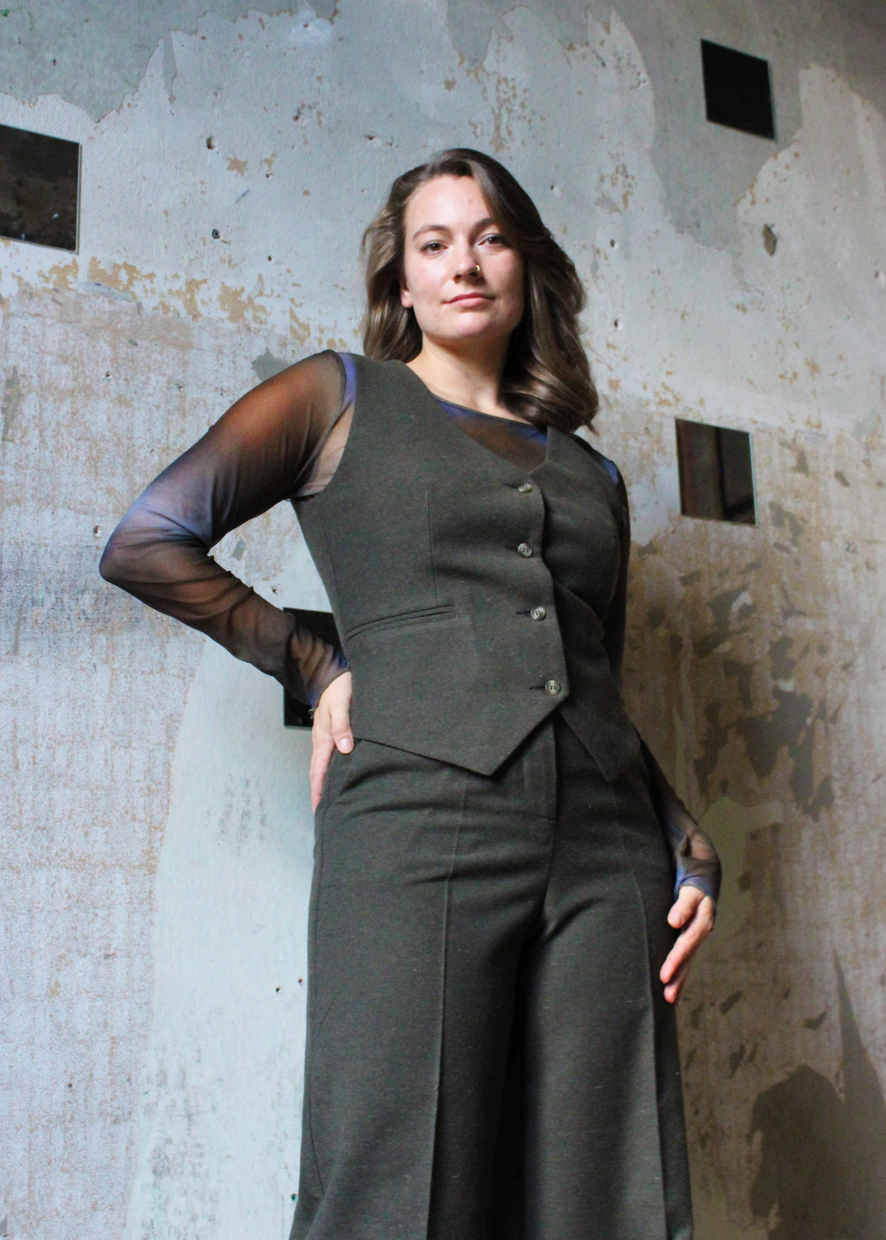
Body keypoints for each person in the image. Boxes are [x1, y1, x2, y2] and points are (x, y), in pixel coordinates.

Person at [100, 148, 719, 1240]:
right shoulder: (336, 397)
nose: (463, 264)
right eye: (433, 244)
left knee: (607, 1190)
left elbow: (591, 680)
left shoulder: (597, 477)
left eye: (489, 238)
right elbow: (148, 540)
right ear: (400, 280)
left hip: (606, 852)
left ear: (526, 265)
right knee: (392, 1181)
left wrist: (686, 839)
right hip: (415, 823)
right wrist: (314, 662)